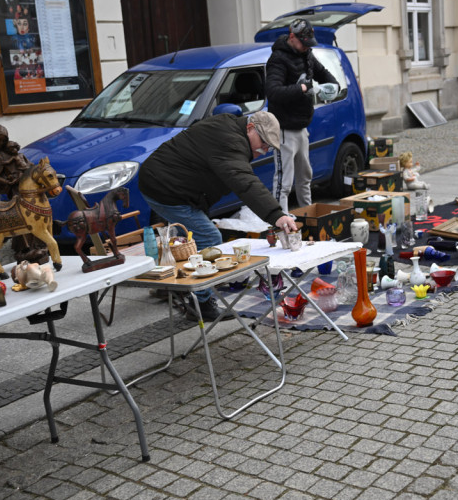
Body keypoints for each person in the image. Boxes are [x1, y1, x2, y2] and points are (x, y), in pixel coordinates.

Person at [138, 111, 299, 321]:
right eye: (263, 143)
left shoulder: (231, 131)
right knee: (210, 238)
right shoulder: (230, 142)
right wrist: (276, 215)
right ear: (250, 128)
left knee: (186, 242)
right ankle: (201, 305)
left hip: (170, 183)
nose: (264, 150)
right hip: (165, 188)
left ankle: (173, 286)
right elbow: (244, 182)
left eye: (268, 147)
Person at [265, 18, 338, 213]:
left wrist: (333, 86)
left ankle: (308, 215)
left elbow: (323, 74)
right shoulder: (277, 60)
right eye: (303, 43)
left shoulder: (307, 54)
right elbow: (273, 92)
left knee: (305, 177)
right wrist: (303, 87)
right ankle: (281, 224)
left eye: (308, 44)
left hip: (301, 126)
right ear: (292, 37)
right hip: (283, 129)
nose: (306, 47)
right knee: (283, 182)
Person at [0, 125, 48, 263]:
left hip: (25, 185)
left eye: (3, 139)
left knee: (36, 212)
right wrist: (8, 182)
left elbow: (29, 164)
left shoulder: (13, 152)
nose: (1, 142)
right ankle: (25, 248)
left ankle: (39, 244)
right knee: (21, 216)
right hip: (14, 188)